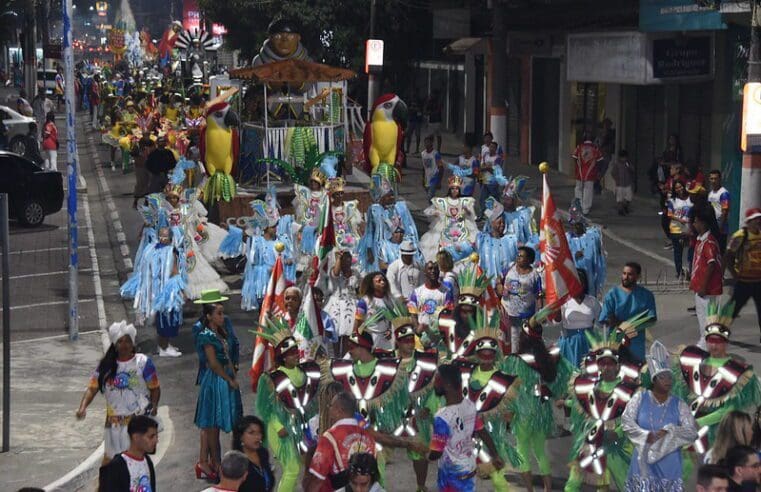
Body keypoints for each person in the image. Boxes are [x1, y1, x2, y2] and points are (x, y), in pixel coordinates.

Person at [672, 301, 761, 456]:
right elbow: (680, 396)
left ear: (726, 342)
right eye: (710, 340)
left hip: (719, 434)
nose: (713, 345)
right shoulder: (693, 362)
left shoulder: (737, 372)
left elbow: (728, 410)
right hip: (688, 432)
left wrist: (696, 423)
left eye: (718, 341)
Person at [76, 321, 160, 462]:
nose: (124, 345)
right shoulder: (106, 366)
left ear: (132, 343)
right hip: (114, 424)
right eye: (120, 341)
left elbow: (155, 388)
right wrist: (82, 407)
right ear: (115, 344)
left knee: (134, 461)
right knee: (111, 463)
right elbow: (92, 388)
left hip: (137, 423)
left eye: (127, 341)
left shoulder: (143, 363)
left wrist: (154, 406)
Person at [622, 341, 698, 490]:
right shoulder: (639, 398)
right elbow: (626, 422)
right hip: (642, 465)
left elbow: (691, 432)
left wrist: (670, 431)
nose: (667, 381)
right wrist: (644, 435)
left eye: (669, 377)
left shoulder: (679, 404)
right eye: (662, 377)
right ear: (654, 379)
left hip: (669, 466)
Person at [255, 318, 321, 492]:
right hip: (280, 429)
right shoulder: (270, 378)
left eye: (296, 351)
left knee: (302, 465)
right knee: (292, 468)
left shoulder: (303, 371)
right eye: (291, 353)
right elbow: (265, 408)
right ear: (282, 356)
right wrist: (278, 426)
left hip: (299, 428)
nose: (296, 354)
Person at [193, 292, 242, 480]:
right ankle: (217, 462)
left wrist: (233, 371)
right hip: (215, 382)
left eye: (222, 313)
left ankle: (219, 462)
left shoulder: (222, 332)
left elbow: (230, 353)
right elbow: (212, 363)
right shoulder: (205, 335)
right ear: (209, 316)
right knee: (212, 425)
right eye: (219, 313)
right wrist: (228, 379)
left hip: (227, 378)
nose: (223, 317)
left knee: (227, 421)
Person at [428, 363, 501, 492]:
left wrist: (424, 452)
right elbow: (483, 433)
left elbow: (436, 452)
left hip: (452, 477)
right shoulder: (470, 405)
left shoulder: (442, 417)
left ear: (448, 386)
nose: (434, 383)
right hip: (469, 469)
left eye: (437, 380)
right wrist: (495, 455)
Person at [303, 391, 376, 492]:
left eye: (331, 406)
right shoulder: (368, 437)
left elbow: (317, 479)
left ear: (339, 410)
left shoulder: (329, 437)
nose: (329, 409)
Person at [599, 262, 657, 363]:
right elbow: (606, 318)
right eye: (624, 273)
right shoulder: (612, 294)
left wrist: (633, 325)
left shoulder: (646, 295)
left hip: (637, 347)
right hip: (616, 345)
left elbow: (651, 318)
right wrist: (622, 324)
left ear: (638, 276)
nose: (626, 277)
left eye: (630, 274)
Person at [97, 415, 158, 492]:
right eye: (151, 437)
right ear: (136, 437)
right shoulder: (116, 466)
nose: (156, 440)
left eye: (156, 436)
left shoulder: (147, 461)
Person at [725, 208, 761, 335]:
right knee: (732, 311)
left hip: (759, 282)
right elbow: (728, 256)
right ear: (749, 221)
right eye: (755, 219)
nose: (758, 221)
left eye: (759, 218)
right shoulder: (740, 236)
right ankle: (719, 334)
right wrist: (734, 274)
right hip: (743, 281)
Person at [691, 207, 724, 348]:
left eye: (696, 221)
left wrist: (704, 287)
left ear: (703, 223)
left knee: (707, 322)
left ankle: (704, 348)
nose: (693, 224)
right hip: (701, 289)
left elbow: (711, 265)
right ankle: (704, 346)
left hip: (708, 291)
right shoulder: (701, 240)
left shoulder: (709, 243)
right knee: (703, 320)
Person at [502, 246, 543, 351]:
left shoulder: (534, 275)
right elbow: (499, 279)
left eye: (521, 256)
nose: (518, 257)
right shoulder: (509, 268)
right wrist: (499, 286)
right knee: (512, 343)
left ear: (529, 259)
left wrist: (540, 312)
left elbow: (538, 294)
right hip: (508, 313)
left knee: (526, 342)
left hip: (526, 315)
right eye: (518, 255)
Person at [558, 270, 601, 367]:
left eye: (579, 281)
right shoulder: (564, 302)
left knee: (587, 374)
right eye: (574, 281)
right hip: (569, 344)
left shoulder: (592, 301)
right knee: (570, 374)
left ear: (584, 283)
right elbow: (555, 321)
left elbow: (601, 323)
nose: (576, 284)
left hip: (588, 343)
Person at [325, 250, 360, 356]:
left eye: (349, 258)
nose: (347, 261)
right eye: (344, 258)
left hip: (351, 305)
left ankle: (344, 358)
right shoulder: (334, 271)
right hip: (337, 305)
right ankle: (336, 357)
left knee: (347, 335)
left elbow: (359, 290)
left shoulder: (355, 273)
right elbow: (335, 274)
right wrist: (339, 259)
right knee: (336, 334)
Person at [407, 261, 452, 336]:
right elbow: (413, 314)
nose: (433, 271)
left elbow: (449, 313)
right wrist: (417, 329)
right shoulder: (416, 293)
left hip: (439, 337)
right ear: (425, 272)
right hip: (422, 336)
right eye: (430, 269)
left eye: (435, 269)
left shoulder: (446, 292)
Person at [233, 416, 275, 492]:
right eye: (251, 433)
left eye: (259, 432)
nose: (257, 437)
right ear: (240, 436)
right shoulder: (236, 462)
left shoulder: (263, 453)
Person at [354, 272, 394, 351]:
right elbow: (358, 321)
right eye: (378, 281)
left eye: (383, 280)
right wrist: (355, 337)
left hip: (385, 339)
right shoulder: (364, 301)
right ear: (371, 284)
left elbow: (390, 319)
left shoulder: (389, 300)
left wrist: (389, 330)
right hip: (370, 337)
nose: (383, 282)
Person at [571, 133, 603, 215]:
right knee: (588, 190)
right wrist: (598, 171)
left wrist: (578, 167)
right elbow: (600, 161)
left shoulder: (579, 147)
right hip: (591, 173)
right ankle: (586, 209)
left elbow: (574, 157)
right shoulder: (595, 148)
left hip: (580, 173)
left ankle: (579, 206)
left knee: (578, 189)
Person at [667, 180, 693, 279]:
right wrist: (680, 220)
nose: (679, 189)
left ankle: (691, 271)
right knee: (678, 252)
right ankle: (679, 272)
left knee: (691, 250)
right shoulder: (672, 200)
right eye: (677, 188)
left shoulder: (691, 198)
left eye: (680, 186)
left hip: (689, 229)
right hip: (676, 229)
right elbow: (669, 214)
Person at [708, 170, 731, 251]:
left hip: (720, 228)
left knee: (720, 252)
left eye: (715, 179)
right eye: (711, 179)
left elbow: (725, 211)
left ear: (720, 179)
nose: (713, 181)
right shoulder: (711, 193)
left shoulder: (724, 193)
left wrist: (721, 227)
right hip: (712, 226)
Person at [132, 137, 155, 209]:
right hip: (140, 168)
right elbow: (134, 155)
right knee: (140, 185)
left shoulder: (150, 149)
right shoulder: (137, 149)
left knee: (149, 185)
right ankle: (135, 202)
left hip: (149, 168)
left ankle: (146, 202)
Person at [610, 150, 634, 215]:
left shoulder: (628, 164)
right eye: (622, 157)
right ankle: (620, 211)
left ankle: (625, 207)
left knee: (629, 198)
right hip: (620, 184)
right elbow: (613, 172)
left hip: (627, 183)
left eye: (625, 157)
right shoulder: (617, 164)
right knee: (620, 199)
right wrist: (617, 179)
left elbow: (632, 170)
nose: (624, 159)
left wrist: (628, 165)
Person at [420, 135, 444, 200]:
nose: (426, 144)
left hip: (434, 178)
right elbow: (424, 167)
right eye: (425, 142)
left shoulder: (435, 154)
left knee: (430, 196)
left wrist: (439, 181)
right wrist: (423, 179)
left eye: (428, 142)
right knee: (431, 198)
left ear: (431, 143)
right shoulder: (423, 154)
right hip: (427, 178)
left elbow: (441, 168)